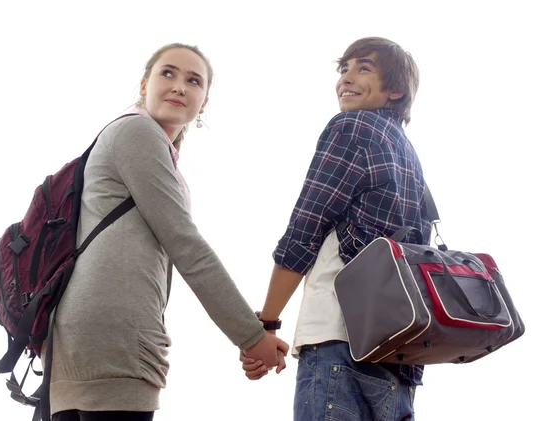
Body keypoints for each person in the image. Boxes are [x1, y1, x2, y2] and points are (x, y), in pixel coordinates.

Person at [47, 43, 289, 421]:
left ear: (204, 103)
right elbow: (184, 244)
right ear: (144, 84)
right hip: (113, 334)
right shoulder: (137, 131)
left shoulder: (143, 142)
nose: (179, 86)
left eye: (193, 81)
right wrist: (251, 336)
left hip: (81, 335)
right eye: (168, 73)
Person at [240, 37, 432, 421]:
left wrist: (267, 323)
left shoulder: (352, 127)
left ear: (395, 90)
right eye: (343, 68)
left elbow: (306, 226)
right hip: (398, 356)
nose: (346, 77)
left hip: (338, 339)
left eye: (364, 68)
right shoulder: (409, 155)